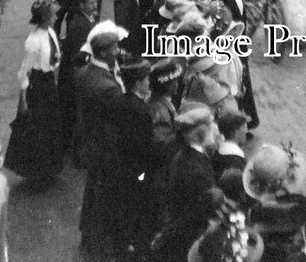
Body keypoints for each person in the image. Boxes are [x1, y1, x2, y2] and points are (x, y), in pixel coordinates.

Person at [75, 21, 128, 258]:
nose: (118, 51)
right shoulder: (107, 87)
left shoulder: (87, 72)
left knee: (95, 192)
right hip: (107, 148)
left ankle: (89, 235)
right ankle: (99, 242)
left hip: (92, 144)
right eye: (115, 48)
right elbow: (121, 117)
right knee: (105, 197)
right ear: (105, 52)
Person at [4, 0, 63, 188]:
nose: (56, 17)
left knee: (50, 127)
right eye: (53, 15)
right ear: (45, 17)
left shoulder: (51, 33)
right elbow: (24, 72)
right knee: (38, 131)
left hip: (49, 83)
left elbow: (55, 59)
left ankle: (49, 170)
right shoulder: (33, 41)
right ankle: (37, 174)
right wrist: (23, 100)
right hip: (37, 87)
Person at [156, 106, 219, 262]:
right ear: (201, 134)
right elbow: (200, 209)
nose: (215, 132)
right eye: (211, 129)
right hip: (189, 236)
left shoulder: (183, 155)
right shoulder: (197, 170)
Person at [105, 61, 155, 259]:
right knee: (136, 210)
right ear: (137, 82)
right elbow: (144, 147)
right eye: (146, 79)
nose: (149, 82)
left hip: (119, 168)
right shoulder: (141, 110)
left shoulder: (119, 102)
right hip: (137, 171)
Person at [57, 0, 98, 151]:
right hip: (76, 76)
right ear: (81, 4)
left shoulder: (88, 18)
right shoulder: (79, 25)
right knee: (75, 113)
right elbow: (80, 55)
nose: (95, 6)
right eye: (91, 3)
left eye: (96, 2)